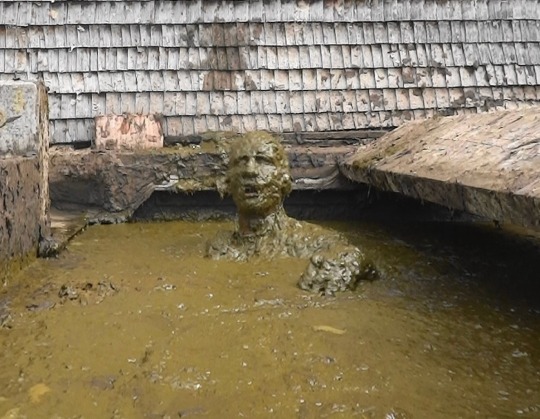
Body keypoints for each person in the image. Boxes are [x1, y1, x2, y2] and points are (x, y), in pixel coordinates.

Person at [206, 131, 376, 295]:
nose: (250, 170)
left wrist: (345, 262)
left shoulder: (312, 242)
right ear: (227, 183)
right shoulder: (220, 247)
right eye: (241, 161)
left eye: (262, 160)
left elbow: (359, 257)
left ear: (284, 180)